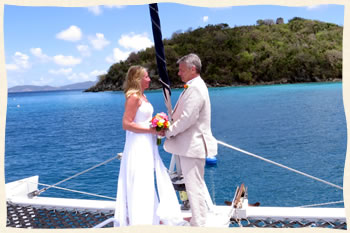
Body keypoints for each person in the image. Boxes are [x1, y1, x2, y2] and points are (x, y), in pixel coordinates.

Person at [114, 65, 186, 226]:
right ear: (138, 79)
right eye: (146, 76)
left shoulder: (143, 97)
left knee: (147, 179)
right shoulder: (133, 97)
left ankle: (150, 217)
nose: (149, 79)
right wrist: (151, 129)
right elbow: (126, 124)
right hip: (138, 144)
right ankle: (141, 221)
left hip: (147, 143)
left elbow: (142, 119)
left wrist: (157, 126)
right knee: (141, 179)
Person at [163, 53, 218, 227]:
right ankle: (197, 219)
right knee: (195, 186)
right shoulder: (194, 86)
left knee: (194, 187)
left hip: (192, 145)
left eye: (181, 70)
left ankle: (199, 224)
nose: (179, 74)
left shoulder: (195, 88)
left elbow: (188, 118)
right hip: (191, 145)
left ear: (192, 69)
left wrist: (168, 131)